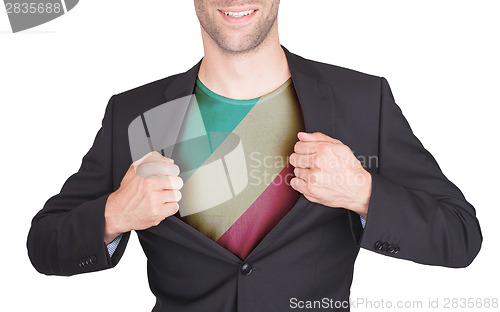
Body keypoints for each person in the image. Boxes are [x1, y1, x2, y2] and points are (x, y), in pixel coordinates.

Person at [27, 1, 482, 311]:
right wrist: (114, 214)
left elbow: (460, 236)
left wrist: (363, 192)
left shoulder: (362, 101)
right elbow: (44, 245)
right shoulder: (134, 113)